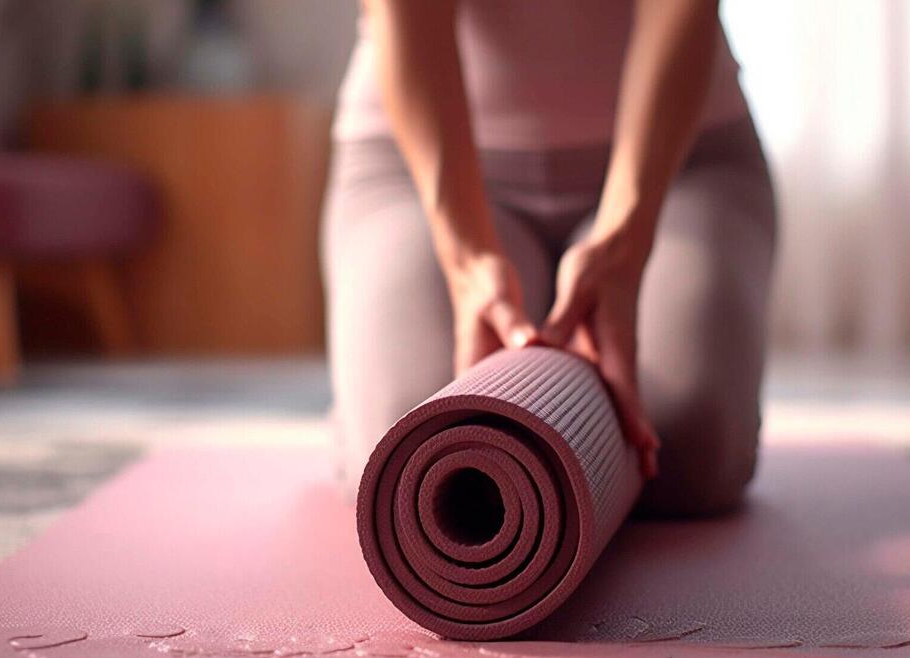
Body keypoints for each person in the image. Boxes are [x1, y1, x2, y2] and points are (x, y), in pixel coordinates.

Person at [322, 0, 776, 517]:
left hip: (684, 165)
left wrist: (624, 246)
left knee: (693, 446)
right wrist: (467, 259)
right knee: (408, 460)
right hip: (412, 171)